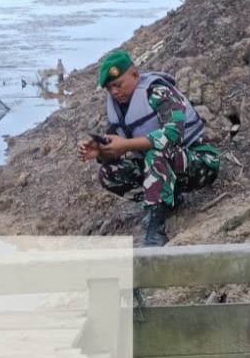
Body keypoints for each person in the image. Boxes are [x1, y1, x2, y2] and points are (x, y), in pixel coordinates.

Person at [77, 49, 220, 247]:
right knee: (109, 173)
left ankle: (156, 230)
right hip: (162, 168)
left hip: (199, 161)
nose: (114, 92)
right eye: (110, 88)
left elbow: (173, 135)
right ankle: (168, 201)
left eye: (118, 85)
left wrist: (126, 145)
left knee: (157, 154)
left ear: (134, 75)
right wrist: (101, 152)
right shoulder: (120, 106)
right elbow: (115, 143)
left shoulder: (158, 92)